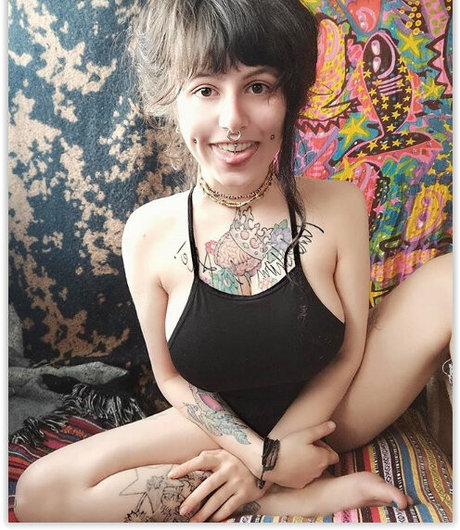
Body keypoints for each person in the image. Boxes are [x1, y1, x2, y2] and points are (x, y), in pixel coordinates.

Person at [14, 0, 452, 522]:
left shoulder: (339, 205)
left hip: (333, 412)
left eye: (258, 87)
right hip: (218, 420)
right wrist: (264, 460)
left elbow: (348, 351)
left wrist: (277, 451)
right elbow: (173, 382)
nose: (233, 121)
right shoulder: (148, 233)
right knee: (40, 493)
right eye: (205, 90)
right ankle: (283, 499)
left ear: (290, 96)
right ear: (171, 101)